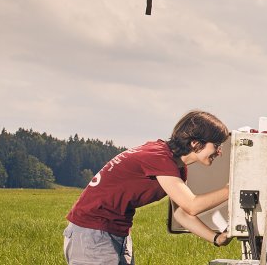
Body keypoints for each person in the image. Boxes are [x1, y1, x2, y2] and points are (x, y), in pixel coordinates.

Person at [64, 110, 233, 264]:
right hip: (93, 232)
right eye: (217, 145)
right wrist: (232, 190)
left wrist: (216, 238)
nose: (220, 152)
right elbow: (192, 205)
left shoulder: (174, 165)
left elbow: (181, 213)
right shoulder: (160, 158)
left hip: (114, 232)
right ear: (195, 143)